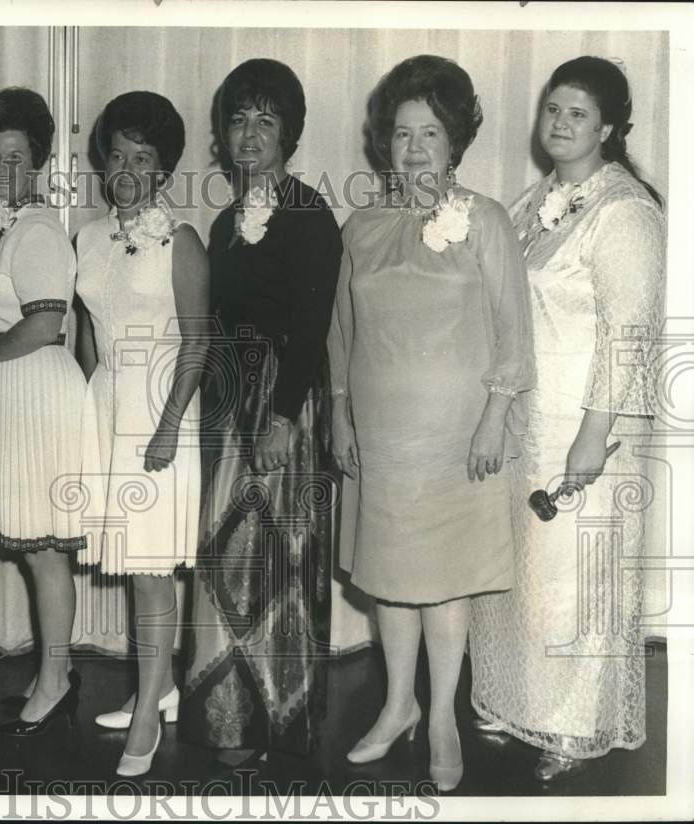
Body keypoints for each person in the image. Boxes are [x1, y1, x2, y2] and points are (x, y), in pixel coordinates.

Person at [327, 55, 535, 791]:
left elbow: (515, 332)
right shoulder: (363, 227)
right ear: (386, 142)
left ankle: (441, 713)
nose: (414, 148)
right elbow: (342, 336)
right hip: (380, 438)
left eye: (430, 133)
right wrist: (341, 417)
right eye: (402, 134)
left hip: (456, 440)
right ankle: (395, 708)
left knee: (445, 583)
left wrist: (493, 420)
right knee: (388, 581)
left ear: (455, 143)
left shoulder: (486, 219)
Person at [469, 56, 666, 782]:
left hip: (588, 424)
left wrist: (593, 431)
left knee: (576, 577)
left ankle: (572, 723)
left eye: (577, 113)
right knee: (521, 575)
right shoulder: (531, 203)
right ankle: (510, 697)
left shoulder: (626, 211)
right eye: (553, 108)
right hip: (525, 419)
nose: (559, 123)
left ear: (609, 129)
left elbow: (631, 332)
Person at [181, 58, 342, 767]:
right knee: (224, 561)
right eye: (239, 120)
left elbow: (310, 327)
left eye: (266, 121)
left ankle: (276, 718)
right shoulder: (222, 222)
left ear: (290, 136)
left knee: (273, 563)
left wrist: (280, 418)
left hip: (285, 403)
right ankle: (227, 719)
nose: (249, 135)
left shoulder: (309, 213)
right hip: (231, 402)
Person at [75, 91, 209, 777]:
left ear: (163, 170)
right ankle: (156, 689)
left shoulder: (179, 239)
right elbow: (90, 339)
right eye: (118, 155)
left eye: (143, 158)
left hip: (161, 418)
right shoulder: (89, 236)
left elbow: (197, 343)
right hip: (106, 414)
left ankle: (147, 721)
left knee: (153, 571)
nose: (127, 169)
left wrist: (165, 429)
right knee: (133, 568)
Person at [0, 87, 87, 735]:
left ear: (35, 161)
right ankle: (51, 670)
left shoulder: (36, 230)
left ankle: (58, 677)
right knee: (34, 548)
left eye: (16, 156)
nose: (2, 169)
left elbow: (43, 328)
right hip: (12, 393)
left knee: (44, 550)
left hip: (37, 391)